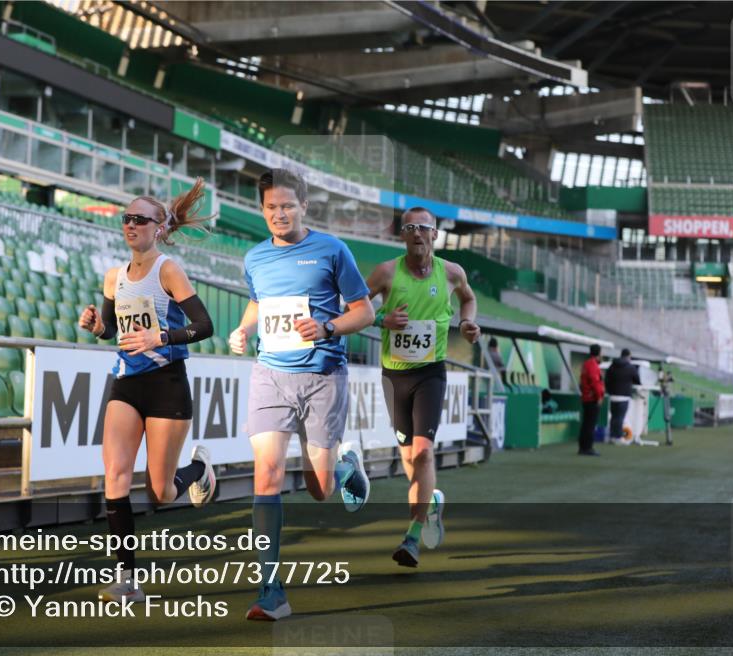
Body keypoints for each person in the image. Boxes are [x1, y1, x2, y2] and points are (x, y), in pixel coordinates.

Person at [228, 168, 375, 621]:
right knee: (267, 473)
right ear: (262, 209)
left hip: (322, 376)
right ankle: (271, 591)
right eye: (271, 206)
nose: (279, 213)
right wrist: (244, 327)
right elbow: (258, 301)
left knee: (320, 489)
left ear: (304, 206)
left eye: (287, 205)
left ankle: (347, 468)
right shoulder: (255, 257)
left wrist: (327, 326)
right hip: (270, 374)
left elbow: (365, 311)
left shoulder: (332, 249)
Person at [78, 178, 218, 603]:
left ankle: (199, 472)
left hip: (167, 383)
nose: (130, 225)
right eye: (126, 218)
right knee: (116, 476)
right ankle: (127, 579)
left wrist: (162, 338)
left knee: (161, 490)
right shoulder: (113, 276)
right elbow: (110, 332)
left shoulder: (168, 269)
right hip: (126, 381)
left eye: (140, 219)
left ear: (159, 227)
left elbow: (205, 326)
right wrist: (96, 325)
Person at [365, 206, 481, 568]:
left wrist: (466, 323)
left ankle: (411, 538)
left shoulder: (452, 272)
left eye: (424, 228)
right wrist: (384, 319)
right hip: (394, 375)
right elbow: (353, 307)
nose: (417, 233)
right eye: (410, 228)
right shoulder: (386, 272)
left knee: (424, 453)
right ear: (402, 235)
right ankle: (430, 504)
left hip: (431, 372)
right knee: (408, 460)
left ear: (434, 235)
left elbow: (469, 298)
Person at [604, 349, 641, 445]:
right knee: (620, 417)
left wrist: (609, 390)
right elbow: (637, 380)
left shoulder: (612, 366)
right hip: (624, 396)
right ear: (628, 356)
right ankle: (619, 437)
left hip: (612, 395)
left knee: (614, 417)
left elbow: (606, 379)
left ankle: (612, 437)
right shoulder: (631, 367)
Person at [578, 344, 605, 456]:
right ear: (599, 353)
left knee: (586, 424)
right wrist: (599, 397)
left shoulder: (587, 364)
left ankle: (583, 447)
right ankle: (587, 448)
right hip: (592, 398)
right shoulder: (593, 365)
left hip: (586, 397)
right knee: (590, 424)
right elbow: (595, 382)